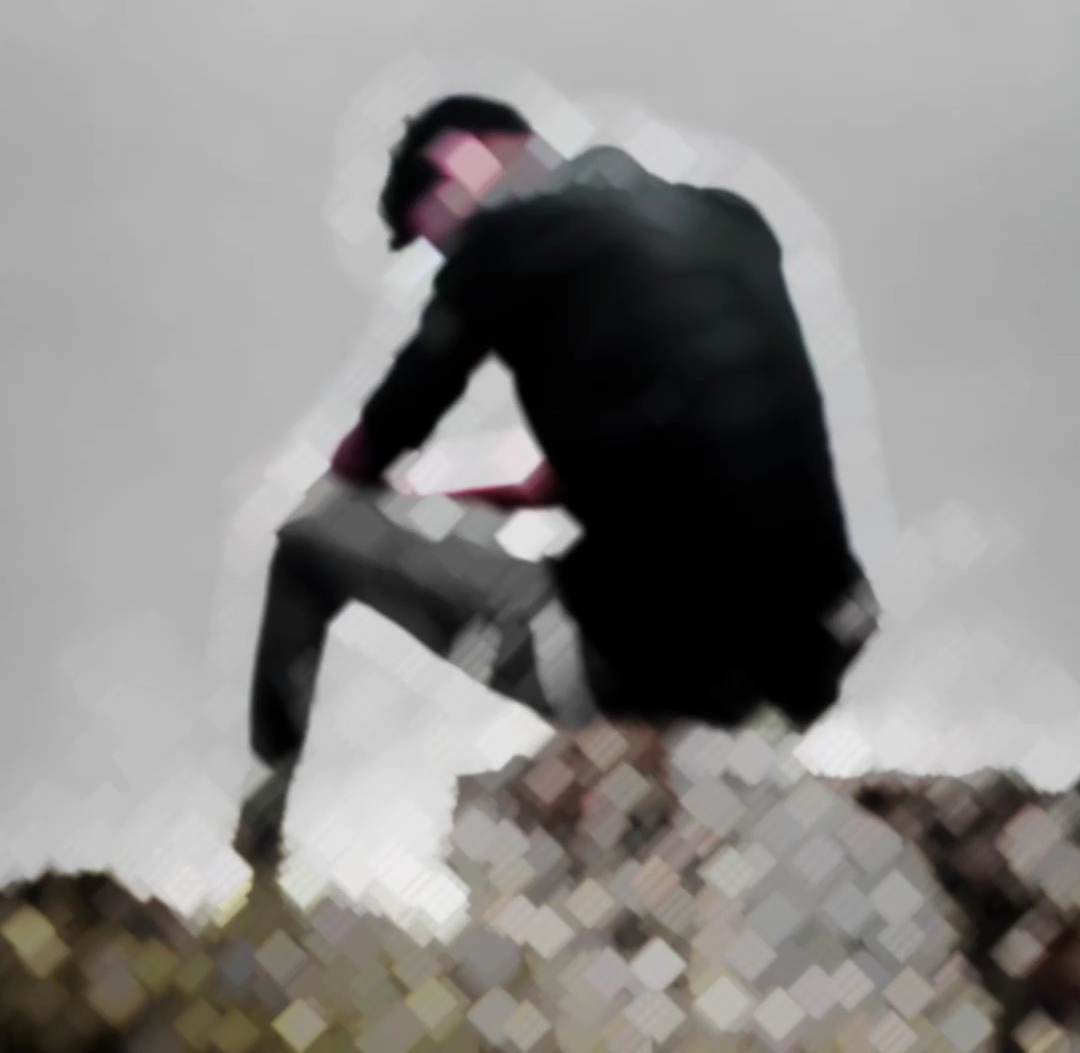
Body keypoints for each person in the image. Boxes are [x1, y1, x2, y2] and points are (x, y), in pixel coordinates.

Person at [233, 94, 878, 868]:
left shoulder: (502, 246)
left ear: (459, 165)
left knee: (309, 534)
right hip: (808, 652)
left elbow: (374, 446)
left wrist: (364, 490)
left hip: (656, 665)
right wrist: (444, 493)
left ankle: (259, 850)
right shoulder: (727, 222)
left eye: (437, 235)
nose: (447, 255)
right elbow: (650, 461)